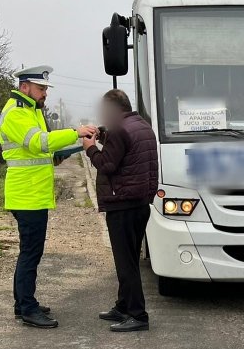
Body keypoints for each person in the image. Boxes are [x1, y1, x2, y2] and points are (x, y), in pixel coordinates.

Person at [0, 65, 97, 328]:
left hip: (32, 193)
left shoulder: (29, 111)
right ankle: (28, 308)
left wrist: (58, 155)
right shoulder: (16, 113)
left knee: (29, 252)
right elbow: (40, 142)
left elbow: (37, 152)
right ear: (25, 87)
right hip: (26, 195)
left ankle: (23, 303)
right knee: (31, 253)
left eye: (45, 90)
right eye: (41, 89)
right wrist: (76, 132)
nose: (45, 94)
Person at [83, 89, 157, 333]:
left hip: (122, 206)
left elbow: (108, 163)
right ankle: (123, 306)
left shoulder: (120, 130)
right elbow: (126, 152)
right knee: (131, 259)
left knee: (126, 265)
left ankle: (138, 315)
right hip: (139, 205)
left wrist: (91, 147)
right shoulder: (142, 126)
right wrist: (105, 135)